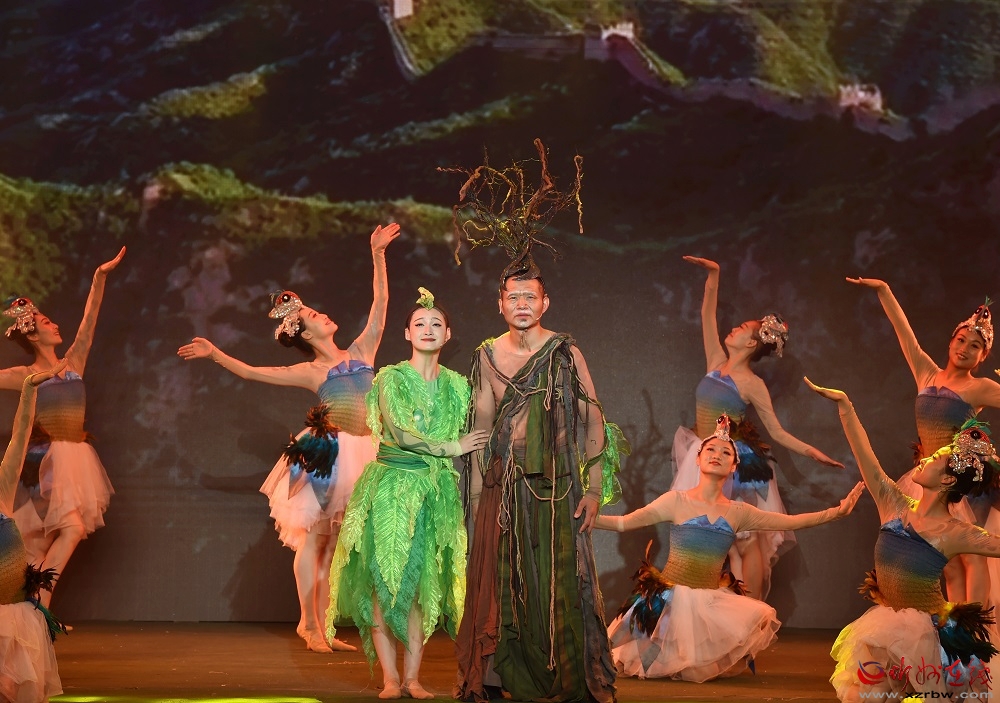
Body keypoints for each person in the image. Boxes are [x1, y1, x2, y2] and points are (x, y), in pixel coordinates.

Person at [178, 224, 398, 652]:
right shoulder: (311, 371)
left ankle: (323, 627)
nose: (323, 314)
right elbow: (252, 372)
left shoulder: (362, 351)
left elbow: (381, 304)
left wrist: (377, 255)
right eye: (314, 316)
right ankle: (309, 625)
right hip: (328, 454)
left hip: (365, 452)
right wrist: (215, 353)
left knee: (333, 545)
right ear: (305, 333)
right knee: (315, 538)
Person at [598, 415, 862, 681]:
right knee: (647, 663)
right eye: (710, 449)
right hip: (669, 602)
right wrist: (586, 518)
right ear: (698, 459)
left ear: (734, 466)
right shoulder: (676, 501)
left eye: (726, 452)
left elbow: (790, 521)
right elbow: (624, 522)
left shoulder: (738, 512)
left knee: (706, 663)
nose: (717, 455)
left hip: (707, 602)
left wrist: (835, 513)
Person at [327, 289, 488, 699]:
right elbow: (399, 433)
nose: (428, 329)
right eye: (419, 324)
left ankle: (412, 678)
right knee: (384, 583)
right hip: (391, 490)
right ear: (406, 333)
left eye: (436, 324)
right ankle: (390, 678)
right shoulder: (391, 378)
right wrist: (450, 447)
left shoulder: (458, 386)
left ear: (448, 334)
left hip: (435, 493)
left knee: (420, 586)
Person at [807, 378, 1000, 701]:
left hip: (927, 635)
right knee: (858, 695)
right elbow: (864, 454)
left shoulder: (954, 532)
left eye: (934, 459)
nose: (923, 459)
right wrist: (845, 406)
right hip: (888, 626)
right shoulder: (892, 502)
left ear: (947, 479)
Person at [671, 256, 843, 601]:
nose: (733, 329)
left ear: (751, 343)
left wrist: (813, 453)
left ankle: (749, 610)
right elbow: (707, 314)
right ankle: (713, 607)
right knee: (707, 535)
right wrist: (714, 274)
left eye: (740, 328)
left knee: (744, 540)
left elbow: (776, 432)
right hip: (701, 454)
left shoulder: (752, 384)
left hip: (733, 463)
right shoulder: (715, 362)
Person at [848, 278, 1000, 604]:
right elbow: (905, 335)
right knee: (946, 563)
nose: (964, 349)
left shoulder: (981, 388)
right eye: (961, 340)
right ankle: (949, 622)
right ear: (951, 342)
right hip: (926, 475)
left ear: (983, 355)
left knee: (972, 557)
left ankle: (976, 625)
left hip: (953, 478)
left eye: (974, 346)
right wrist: (884, 290)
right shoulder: (926, 372)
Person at [0, 247, 125, 608]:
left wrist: (99, 278)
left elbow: (90, 320)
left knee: (45, 542)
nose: (55, 325)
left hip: (73, 460)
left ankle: (34, 613)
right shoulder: (26, 374)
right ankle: (36, 608)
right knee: (55, 534)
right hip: (42, 461)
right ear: (33, 336)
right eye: (46, 322)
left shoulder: (73, 363)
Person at [1, 362, 68, 703]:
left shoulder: (2, 488)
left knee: (17, 685)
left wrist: (28, 390)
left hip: (13, 611)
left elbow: (21, 434)